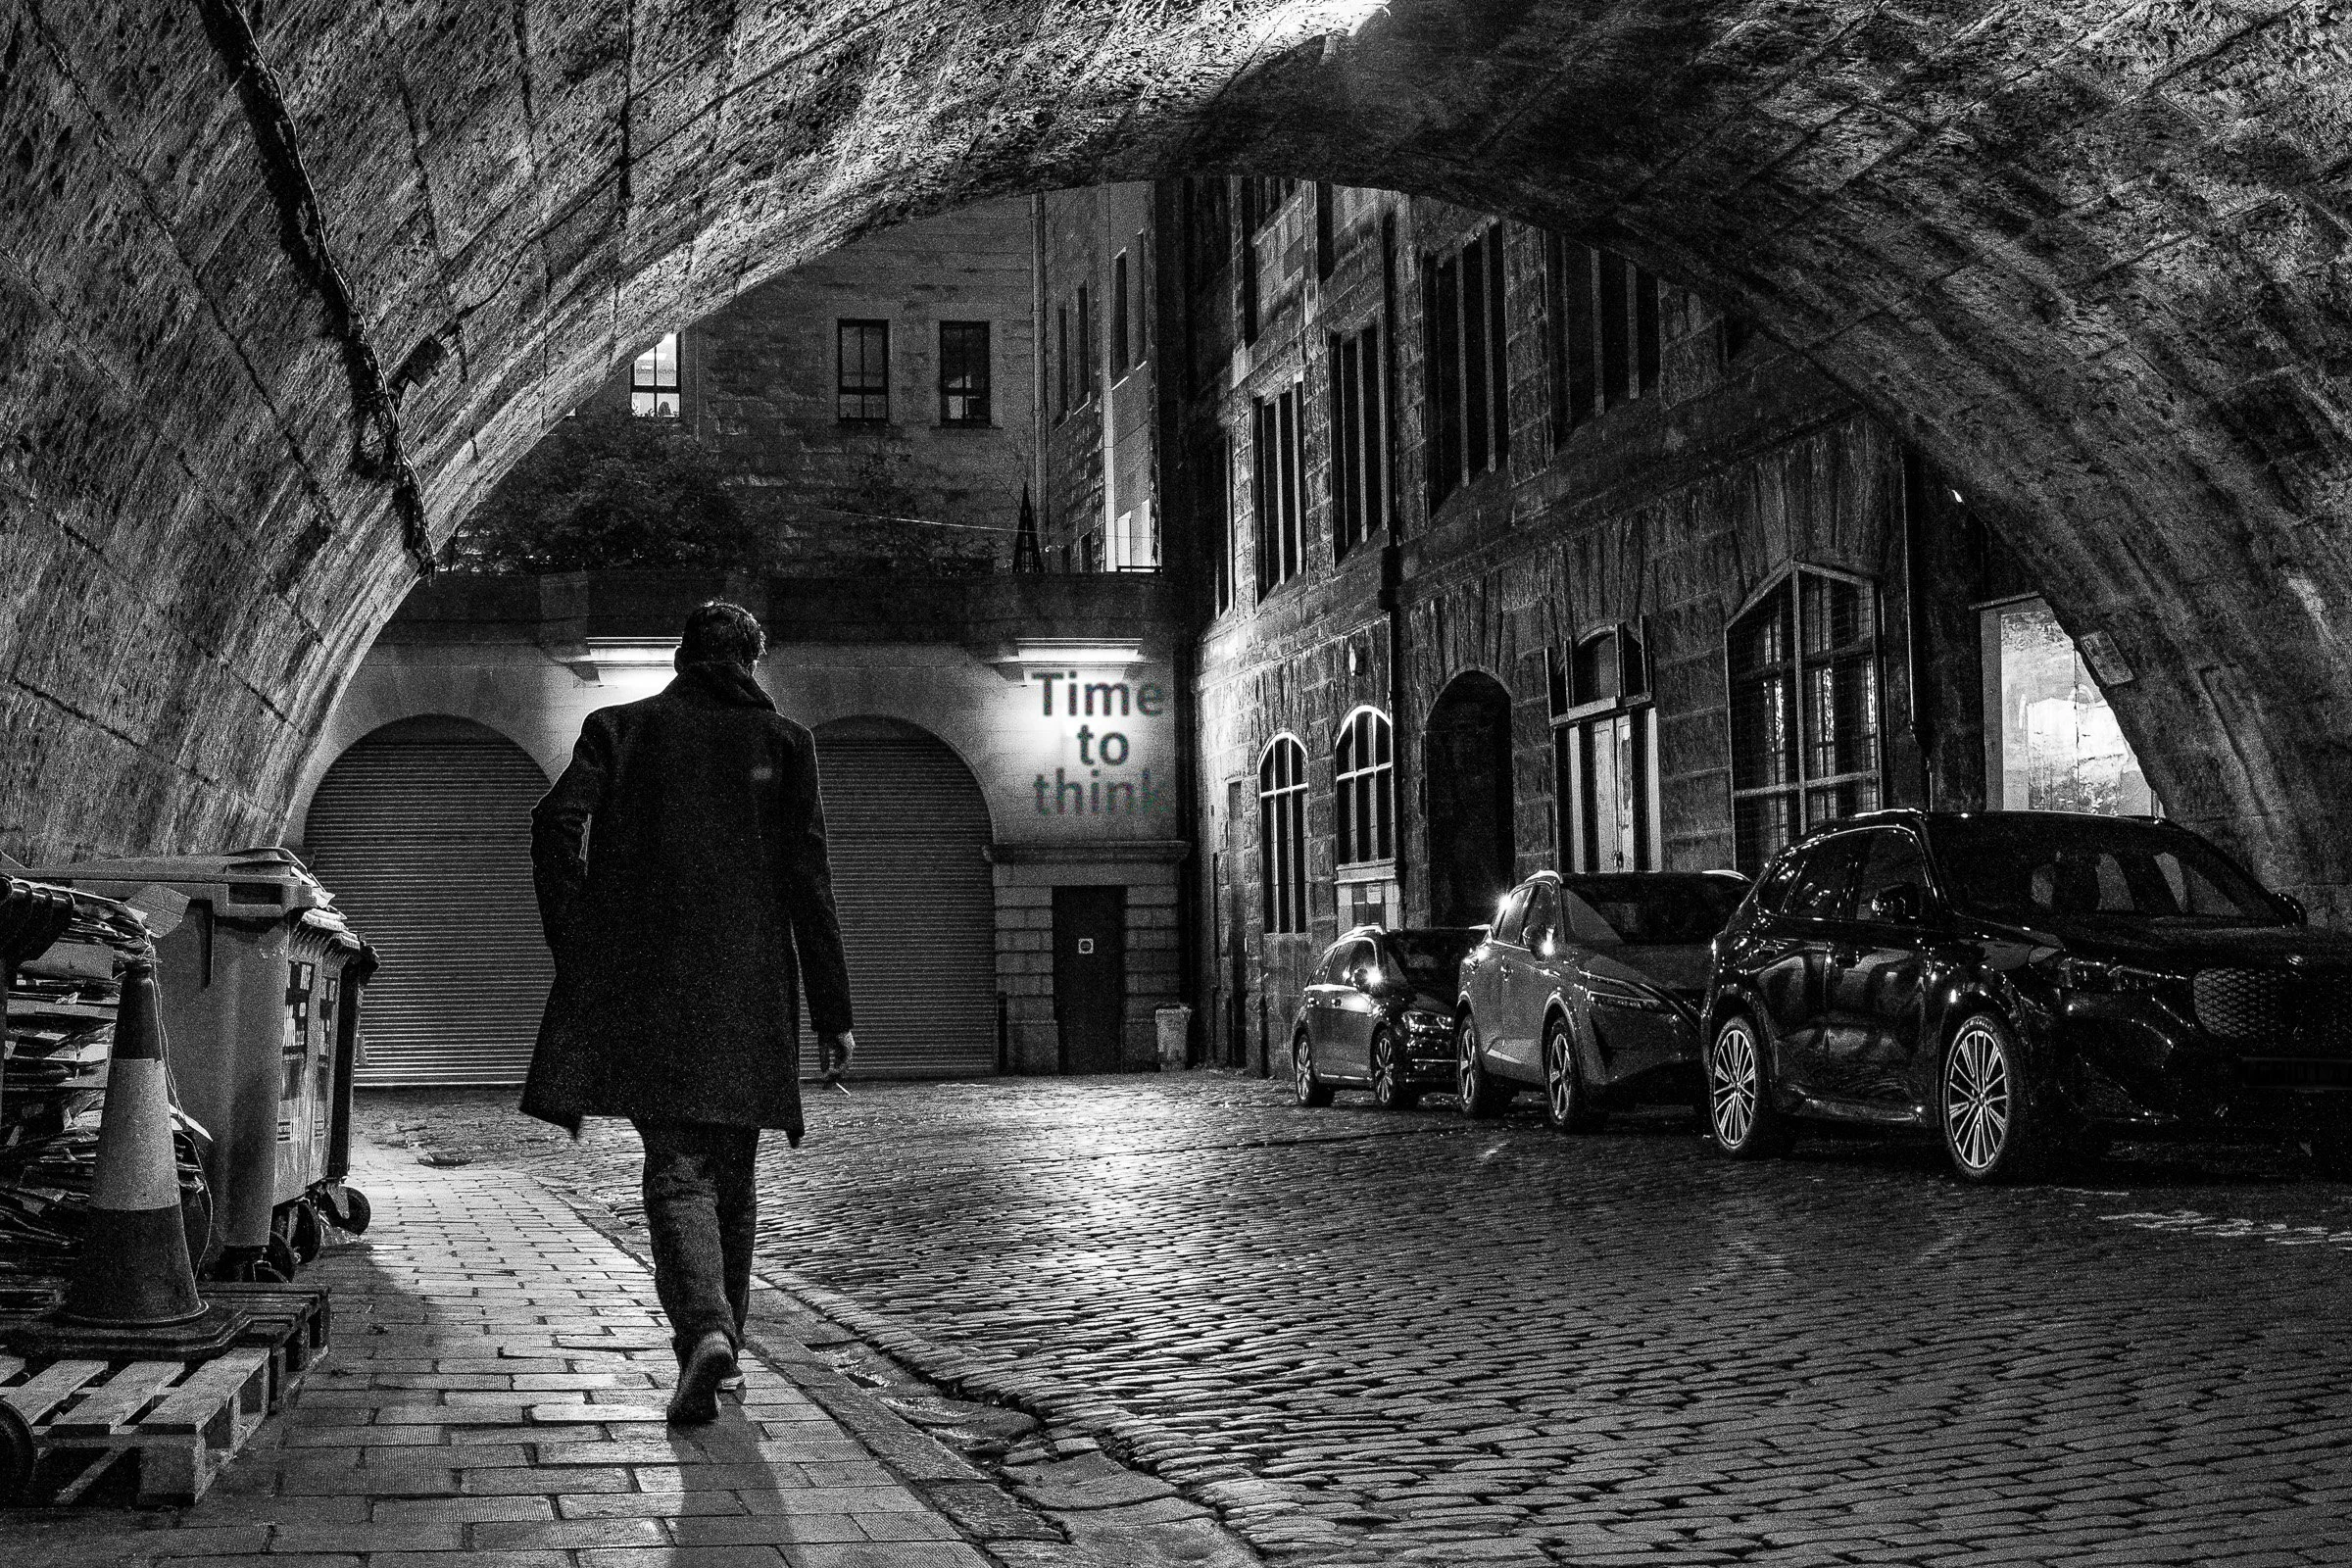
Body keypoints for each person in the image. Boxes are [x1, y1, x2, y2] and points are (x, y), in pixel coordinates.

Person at [521, 600, 855, 1423]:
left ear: (682, 658)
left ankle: (707, 1331)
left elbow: (556, 821)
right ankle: (722, 1348)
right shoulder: (786, 743)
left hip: (648, 983)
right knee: (732, 1173)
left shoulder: (619, 729)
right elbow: (809, 880)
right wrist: (832, 1011)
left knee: (676, 1165)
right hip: (749, 990)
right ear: (751, 661)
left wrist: (581, 941)